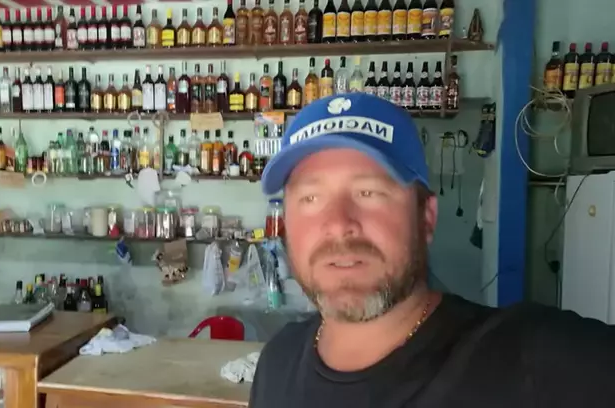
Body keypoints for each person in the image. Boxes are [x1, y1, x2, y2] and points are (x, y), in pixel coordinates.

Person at [249, 93, 615, 407]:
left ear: (426, 218)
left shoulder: (534, 361)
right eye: (310, 198)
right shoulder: (276, 363)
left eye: (369, 192)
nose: (338, 223)